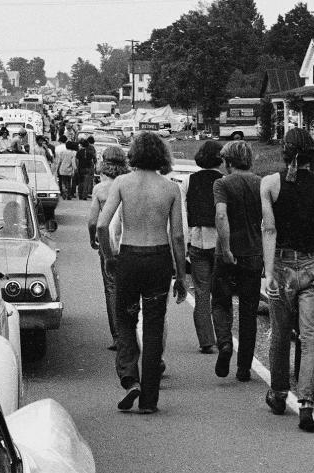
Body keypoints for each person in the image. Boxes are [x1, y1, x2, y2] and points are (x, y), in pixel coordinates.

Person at [96, 132, 186, 415]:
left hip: (130, 257)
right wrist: (181, 276)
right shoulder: (171, 188)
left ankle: (130, 378)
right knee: (154, 326)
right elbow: (178, 236)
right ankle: (149, 399)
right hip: (158, 259)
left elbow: (101, 225)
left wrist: (110, 257)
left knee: (125, 319)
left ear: (134, 154)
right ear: (161, 156)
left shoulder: (122, 183)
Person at [262, 128, 314, 432]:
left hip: (281, 265)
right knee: (310, 338)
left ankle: (279, 394)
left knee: (280, 335)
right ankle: (306, 404)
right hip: (313, 267)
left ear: (284, 151)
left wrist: (268, 272)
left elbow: (269, 230)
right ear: (311, 153)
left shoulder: (270, 184)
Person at [212, 140, 263, 383]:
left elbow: (221, 215)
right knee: (248, 311)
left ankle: (224, 343)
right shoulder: (261, 184)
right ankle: (244, 368)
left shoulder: (222, 184)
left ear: (229, 161)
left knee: (221, 302)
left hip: (228, 253)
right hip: (254, 253)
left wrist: (225, 247)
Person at [185, 140, 224, 356]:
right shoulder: (224, 181)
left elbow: (184, 214)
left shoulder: (188, 181)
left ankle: (206, 340)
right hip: (219, 241)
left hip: (197, 239)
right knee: (220, 292)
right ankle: (222, 336)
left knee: (201, 291)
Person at [87, 145, 128, 352]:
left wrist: (93, 239)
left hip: (108, 244)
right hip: (129, 242)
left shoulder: (100, 189)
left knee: (111, 288)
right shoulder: (130, 183)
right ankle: (131, 332)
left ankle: (118, 336)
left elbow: (93, 221)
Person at [76, 135, 97, 200]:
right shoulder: (90, 151)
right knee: (86, 182)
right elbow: (94, 159)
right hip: (88, 167)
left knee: (80, 181)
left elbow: (77, 160)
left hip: (81, 167)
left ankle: (80, 195)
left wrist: (77, 167)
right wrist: (94, 165)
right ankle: (84, 196)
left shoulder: (79, 152)